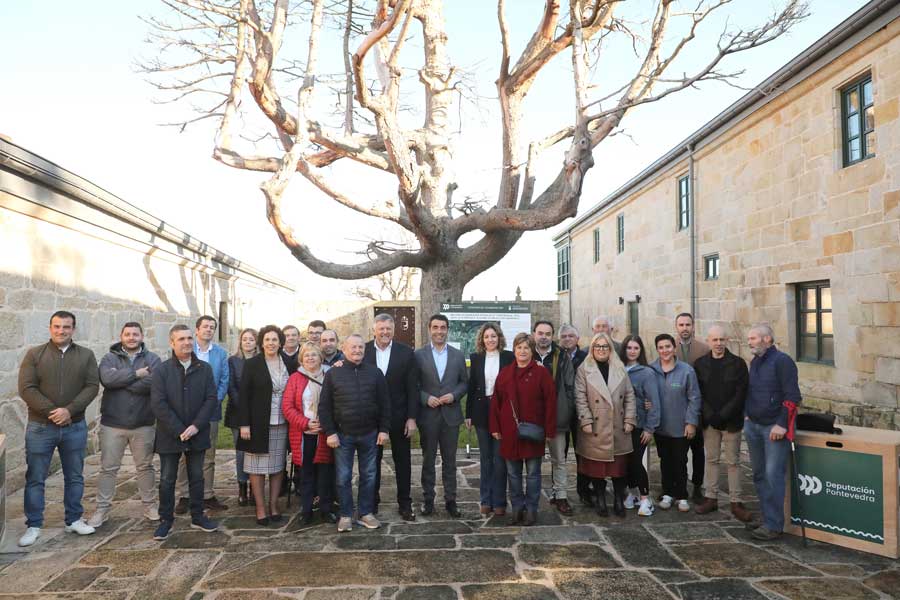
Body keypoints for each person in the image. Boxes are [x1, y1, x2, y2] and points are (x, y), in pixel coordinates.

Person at [17, 311, 99, 547]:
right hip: (40, 427)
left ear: (73, 329)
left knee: (74, 476)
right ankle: (33, 525)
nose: (61, 331)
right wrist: (54, 412)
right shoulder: (34, 354)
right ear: (50, 327)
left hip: (74, 426)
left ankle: (73, 520)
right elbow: (27, 388)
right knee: (35, 477)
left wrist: (69, 411)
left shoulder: (86, 355)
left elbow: (92, 386)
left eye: (66, 327)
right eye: (56, 326)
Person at [89, 322, 162, 528]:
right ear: (121, 336)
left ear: (141, 336)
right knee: (108, 468)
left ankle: (149, 506)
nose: (131, 337)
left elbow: (155, 382)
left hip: (143, 423)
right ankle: (102, 510)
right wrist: (138, 374)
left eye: (135, 334)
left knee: (145, 467)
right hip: (113, 423)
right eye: (127, 334)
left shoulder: (152, 359)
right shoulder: (109, 358)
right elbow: (107, 379)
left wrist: (122, 383)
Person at [150, 324, 219, 540]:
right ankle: (166, 519)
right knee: (168, 479)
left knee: (197, 477)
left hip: (197, 431)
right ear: (172, 343)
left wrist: (196, 426)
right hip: (170, 434)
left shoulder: (204, 369)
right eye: (181, 339)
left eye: (189, 338)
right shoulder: (162, 370)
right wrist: (180, 429)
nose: (187, 342)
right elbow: (158, 403)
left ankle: (198, 515)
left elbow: (211, 399)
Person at [319, 334, 391, 532]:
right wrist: (330, 432)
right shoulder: (334, 374)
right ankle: (346, 515)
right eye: (353, 347)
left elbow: (385, 404)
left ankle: (366, 513)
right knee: (343, 477)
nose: (357, 350)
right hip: (343, 435)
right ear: (344, 348)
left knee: (369, 475)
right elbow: (324, 406)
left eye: (360, 347)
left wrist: (384, 430)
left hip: (369, 434)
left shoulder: (375, 373)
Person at [490, 333, 557, 526]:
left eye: (526, 348)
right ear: (514, 349)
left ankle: (532, 510)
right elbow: (496, 402)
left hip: (534, 431)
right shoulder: (505, 374)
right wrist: (495, 427)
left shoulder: (541, 373)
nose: (522, 351)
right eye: (519, 347)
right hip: (510, 432)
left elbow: (551, 403)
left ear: (532, 350)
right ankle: (517, 508)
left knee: (534, 474)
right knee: (513, 474)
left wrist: (549, 431)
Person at [745, 323, 802, 541]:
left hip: (774, 428)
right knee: (759, 474)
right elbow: (751, 390)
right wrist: (747, 414)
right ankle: (767, 517)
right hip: (754, 426)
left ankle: (774, 525)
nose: (749, 342)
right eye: (749, 338)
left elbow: (792, 396)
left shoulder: (783, 362)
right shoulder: (756, 362)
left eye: (753, 338)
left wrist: (781, 424)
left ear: (767, 339)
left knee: (772, 475)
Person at [237, 325, 294, 525]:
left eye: (275, 339)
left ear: (280, 343)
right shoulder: (252, 364)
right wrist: (244, 424)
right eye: (267, 339)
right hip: (257, 422)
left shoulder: (288, 362)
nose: (271, 343)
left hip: (282, 422)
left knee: (278, 466)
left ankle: (274, 505)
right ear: (262, 343)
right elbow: (243, 396)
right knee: (257, 467)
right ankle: (260, 509)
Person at [574, 332, 636, 517]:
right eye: (597, 346)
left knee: (618, 469)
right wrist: (585, 420)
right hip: (595, 428)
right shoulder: (584, 369)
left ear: (610, 348)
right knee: (597, 469)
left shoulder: (620, 368)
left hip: (618, 425)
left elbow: (630, 396)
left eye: (605, 346)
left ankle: (618, 500)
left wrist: (630, 419)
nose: (601, 350)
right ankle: (601, 499)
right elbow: (580, 397)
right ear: (592, 349)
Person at [693, 325, 751, 521]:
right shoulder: (700, 364)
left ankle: (736, 501)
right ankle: (711, 497)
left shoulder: (738, 364)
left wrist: (724, 414)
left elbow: (740, 393)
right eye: (714, 340)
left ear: (727, 341)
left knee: (733, 461)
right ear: (708, 341)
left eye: (722, 340)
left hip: (731, 421)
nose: (718, 344)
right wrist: (710, 415)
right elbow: (698, 392)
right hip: (709, 422)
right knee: (711, 459)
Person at [365, 314, 419, 521]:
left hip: (399, 417)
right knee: (372, 463)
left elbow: (412, 389)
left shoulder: (406, 353)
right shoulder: (365, 350)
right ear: (374, 330)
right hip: (371, 418)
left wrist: (412, 418)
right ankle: (372, 502)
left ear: (393, 330)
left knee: (403, 462)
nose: (385, 332)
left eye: (388, 329)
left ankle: (405, 503)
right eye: (381, 329)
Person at [415, 314, 468, 518]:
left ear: (448, 329)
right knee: (428, 460)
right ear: (429, 329)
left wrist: (454, 395)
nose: (439, 331)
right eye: (435, 327)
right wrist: (425, 397)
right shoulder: (419, 355)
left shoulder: (457, 355)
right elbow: (414, 385)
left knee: (450, 461)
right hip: (428, 415)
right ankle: (428, 500)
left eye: (443, 327)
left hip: (450, 416)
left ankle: (451, 500)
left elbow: (464, 382)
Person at [175, 315, 229, 514]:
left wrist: (213, 402)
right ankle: (185, 495)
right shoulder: (187, 350)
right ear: (196, 330)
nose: (208, 330)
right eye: (205, 326)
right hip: (186, 412)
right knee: (184, 454)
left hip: (210, 411)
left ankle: (207, 494)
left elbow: (224, 380)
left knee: (209, 454)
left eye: (212, 327)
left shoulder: (220, 354)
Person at [282, 342, 336, 524]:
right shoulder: (295, 379)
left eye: (314, 355)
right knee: (306, 474)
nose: (310, 358)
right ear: (301, 359)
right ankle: (306, 510)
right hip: (304, 433)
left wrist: (326, 424)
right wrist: (306, 423)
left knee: (325, 473)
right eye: (306, 355)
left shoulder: (330, 375)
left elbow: (337, 402)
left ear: (320, 357)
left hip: (324, 432)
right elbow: (287, 407)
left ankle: (326, 509)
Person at [649, 333, 702, 513]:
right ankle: (667, 493)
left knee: (680, 461)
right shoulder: (651, 370)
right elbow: (645, 393)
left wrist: (691, 423)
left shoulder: (686, 370)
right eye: (661, 347)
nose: (665, 350)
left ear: (674, 348)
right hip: (660, 426)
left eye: (668, 346)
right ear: (657, 350)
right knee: (665, 461)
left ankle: (681, 495)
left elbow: (694, 398)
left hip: (681, 426)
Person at [466, 323, 514, 517]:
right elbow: (471, 387)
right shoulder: (476, 358)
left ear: (499, 337)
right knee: (485, 459)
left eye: (493, 336)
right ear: (482, 339)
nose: (490, 340)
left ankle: (500, 501)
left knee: (500, 459)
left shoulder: (508, 357)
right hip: (481, 410)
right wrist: (468, 414)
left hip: (502, 411)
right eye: (486, 337)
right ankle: (486, 500)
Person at [532, 320, 575, 516]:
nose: (543, 337)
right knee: (532, 460)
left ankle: (561, 496)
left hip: (556, 416)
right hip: (531, 418)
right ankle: (531, 497)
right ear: (534, 334)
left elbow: (569, 386)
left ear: (552, 336)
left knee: (559, 459)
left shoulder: (562, 356)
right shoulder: (525, 353)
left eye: (547, 334)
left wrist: (566, 409)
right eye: (540, 333)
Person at [619, 335, 660, 517]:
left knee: (636, 461)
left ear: (641, 351)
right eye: (629, 348)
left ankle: (645, 498)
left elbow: (653, 401)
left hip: (639, 425)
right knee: (625, 462)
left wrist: (650, 428)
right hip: (620, 425)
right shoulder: (617, 369)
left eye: (636, 348)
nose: (632, 351)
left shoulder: (647, 373)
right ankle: (632, 494)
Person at [675, 312, 710, 503]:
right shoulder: (669, 348)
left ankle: (697, 486)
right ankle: (676, 486)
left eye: (687, 324)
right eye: (681, 325)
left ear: (693, 326)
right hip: (676, 408)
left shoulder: (704, 349)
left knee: (698, 450)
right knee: (678, 452)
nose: (684, 328)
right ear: (676, 327)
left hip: (699, 408)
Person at [225, 328, 257, 507]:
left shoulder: (262, 360)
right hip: (237, 413)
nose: (247, 342)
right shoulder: (233, 361)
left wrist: (256, 410)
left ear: (256, 342)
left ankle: (255, 486)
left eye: (251, 339)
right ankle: (242, 487)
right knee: (241, 452)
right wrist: (246, 409)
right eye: (245, 339)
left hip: (258, 415)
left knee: (255, 451)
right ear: (240, 342)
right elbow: (231, 387)